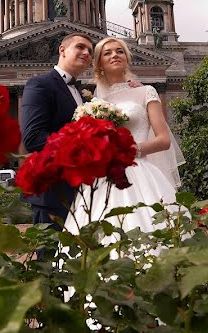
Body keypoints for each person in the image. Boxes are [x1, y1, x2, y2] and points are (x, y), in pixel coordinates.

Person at [64, 37, 186, 255]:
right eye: (107, 53)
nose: (115, 55)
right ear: (99, 63)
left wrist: (131, 150)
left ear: (127, 58)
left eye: (120, 51)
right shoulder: (93, 100)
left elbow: (163, 140)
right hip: (102, 177)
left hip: (138, 170)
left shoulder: (145, 91)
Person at [20, 33, 94, 228]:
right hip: (52, 195)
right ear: (62, 49)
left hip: (84, 195)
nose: (86, 53)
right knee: (51, 257)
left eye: (90, 51)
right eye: (80, 47)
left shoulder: (83, 94)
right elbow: (33, 138)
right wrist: (81, 147)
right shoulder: (40, 84)